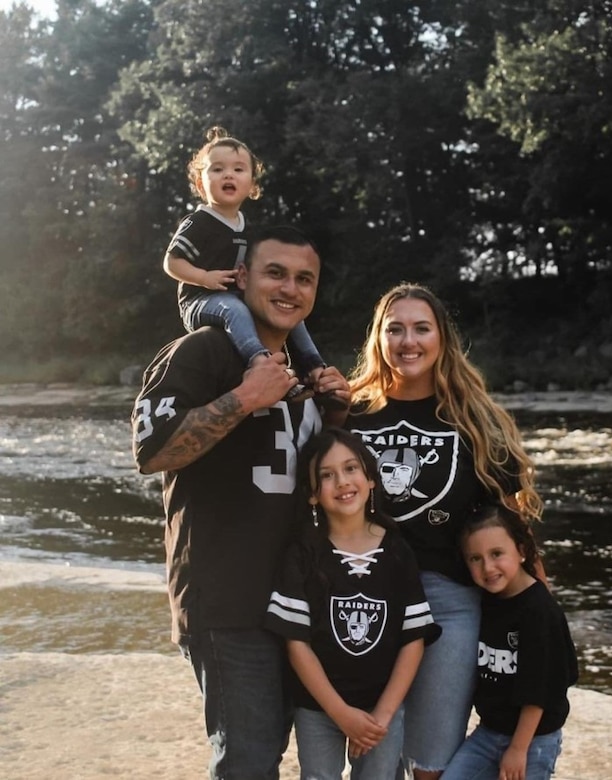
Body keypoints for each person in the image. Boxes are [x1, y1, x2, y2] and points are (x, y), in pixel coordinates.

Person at [132, 225, 351, 780]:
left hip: (292, 598)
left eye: (305, 279)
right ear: (242, 278)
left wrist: (338, 418)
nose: (290, 289)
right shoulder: (201, 351)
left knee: (266, 750)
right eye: (275, 273)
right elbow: (151, 452)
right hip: (226, 599)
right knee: (249, 762)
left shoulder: (304, 369)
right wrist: (243, 398)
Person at [346, 283, 545, 779]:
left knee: (432, 761)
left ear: (441, 340)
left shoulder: (472, 420)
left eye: (421, 328)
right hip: (365, 598)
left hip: (449, 604)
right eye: (395, 329)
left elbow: (507, 519)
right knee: (372, 753)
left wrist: (538, 600)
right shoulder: (348, 414)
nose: (407, 341)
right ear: (378, 338)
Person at [266, 428, 440, 779]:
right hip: (318, 708)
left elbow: (413, 639)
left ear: (371, 479)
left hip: (382, 708)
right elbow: (295, 643)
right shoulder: (303, 553)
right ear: (313, 495)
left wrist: (383, 716)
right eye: (327, 476)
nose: (342, 482)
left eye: (350, 469)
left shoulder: (396, 550)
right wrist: (340, 713)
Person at [164, 125, 340, 406]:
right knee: (234, 309)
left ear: (252, 186)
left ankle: (314, 369)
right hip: (202, 301)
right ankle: (263, 364)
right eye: (217, 169)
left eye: (238, 169)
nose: (228, 175)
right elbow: (172, 262)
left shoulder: (248, 227)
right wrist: (204, 277)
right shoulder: (198, 222)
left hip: (237, 298)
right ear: (200, 184)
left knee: (292, 313)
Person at [441, 503, 578, 780]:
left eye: (497, 554)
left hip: (532, 740)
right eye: (475, 559)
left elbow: (538, 690)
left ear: (522, 551)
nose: (488, 567)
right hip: (488, 733)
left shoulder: (539, 611)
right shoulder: (487, 599)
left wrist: (518, 749)